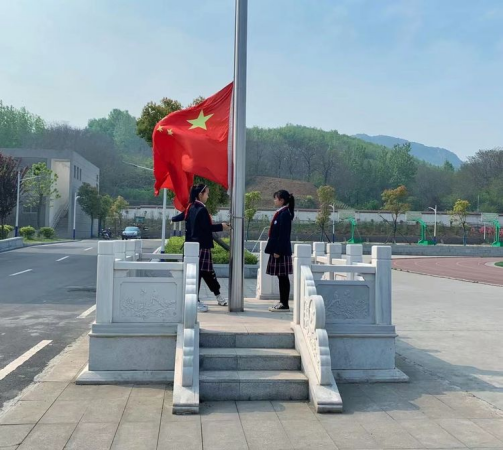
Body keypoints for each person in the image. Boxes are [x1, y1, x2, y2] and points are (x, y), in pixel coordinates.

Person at [185, 184, 230, 312]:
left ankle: (217, 296)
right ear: (201, 194)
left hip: (194, 246)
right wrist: (222, 226)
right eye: (207, 194)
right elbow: (207, 228)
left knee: (205, 272)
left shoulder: (191, 207)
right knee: (200, 273)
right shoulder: (201, 209)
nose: (208, 196)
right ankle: (195, 301)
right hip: (202, 245)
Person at [265, 190, 295, 312]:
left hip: (281, 251)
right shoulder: (282, 213)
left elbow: (284, 235)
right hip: (279, 250)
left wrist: (278, 250)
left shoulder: (285, 214)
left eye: (275, 198)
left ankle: (284, 303)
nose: (274, 200)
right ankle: (282, 302)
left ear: (281, 200)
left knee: (283, 277)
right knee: (281, 277)